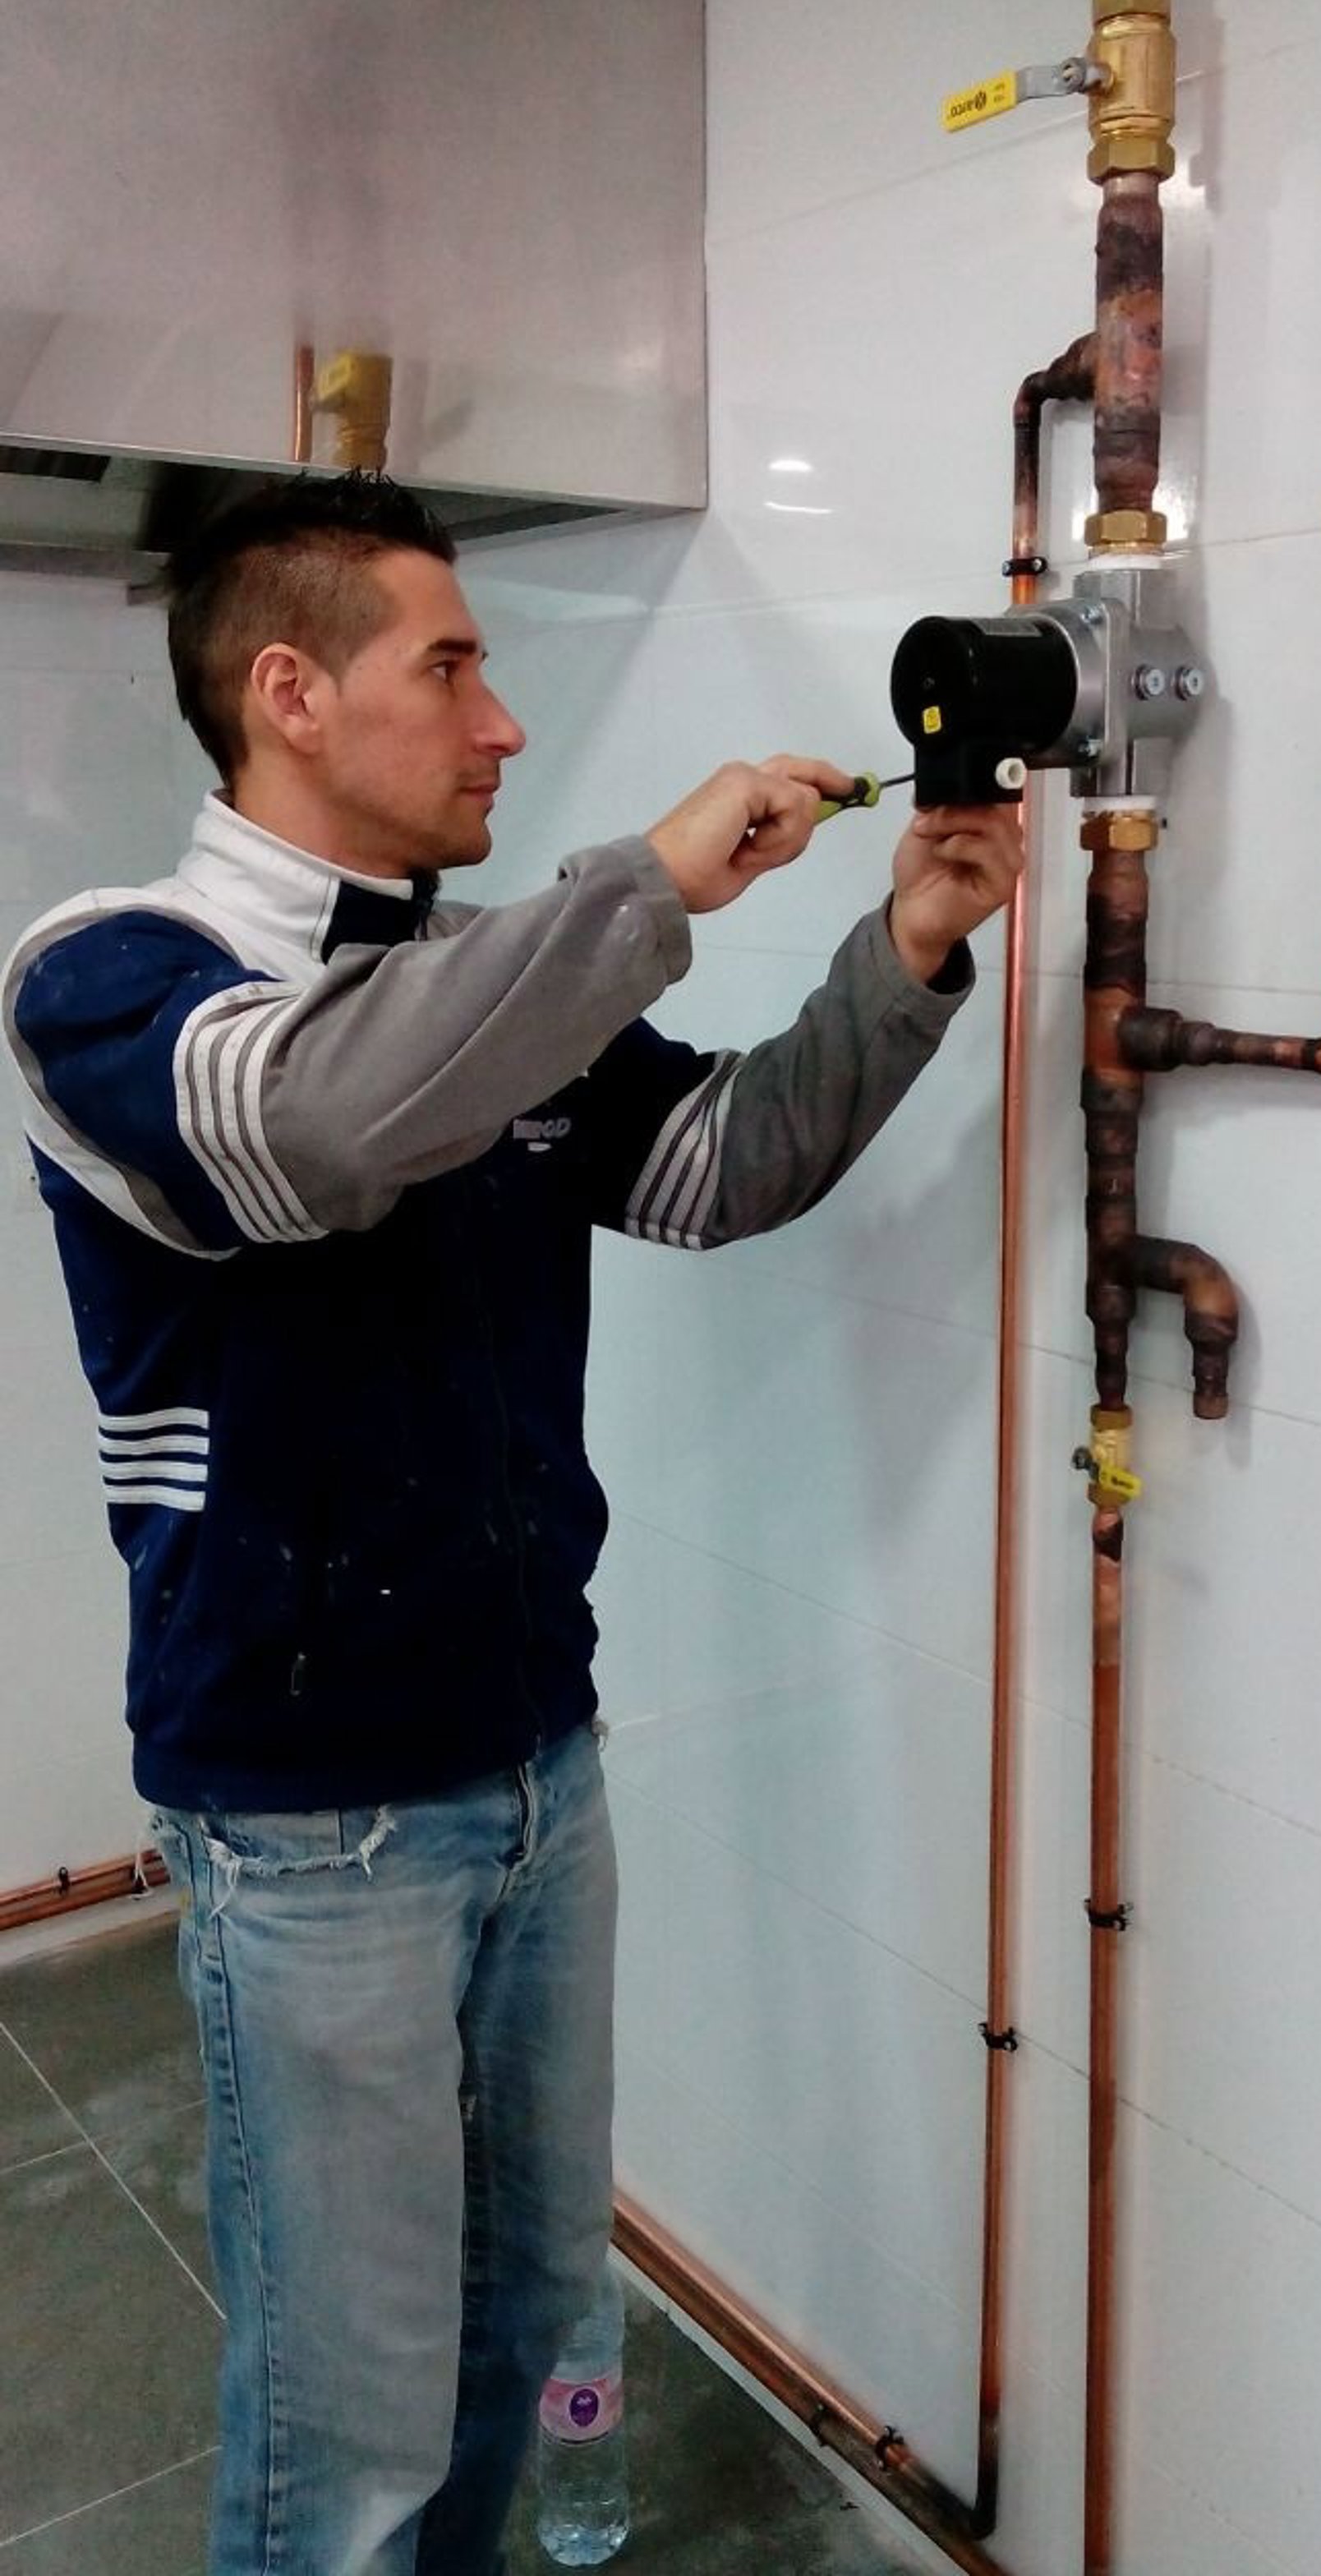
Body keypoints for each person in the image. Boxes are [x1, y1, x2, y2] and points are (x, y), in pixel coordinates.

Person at [0, 472, 1021, 2576]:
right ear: (289, 693)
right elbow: (313, 1127)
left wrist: (905, 946)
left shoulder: (495, 978)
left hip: (541, 1763)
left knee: (541, 2311)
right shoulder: (105, 975)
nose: (504, 722)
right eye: (453, 666)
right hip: (312, 1819)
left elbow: (718, 1164)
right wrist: (645, 881)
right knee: (350, 2408)